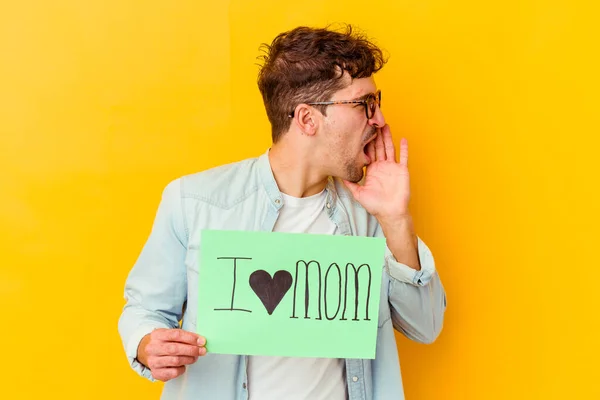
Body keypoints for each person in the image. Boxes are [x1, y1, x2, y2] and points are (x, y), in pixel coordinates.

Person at [118, 24, 447, 400]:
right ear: (307, 120)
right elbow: (144, 309)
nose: (379, 120)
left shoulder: (370, 213)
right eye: (364, 104)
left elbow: (427, 326)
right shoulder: (194, 201)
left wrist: (396, 219)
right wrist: (147, 344)